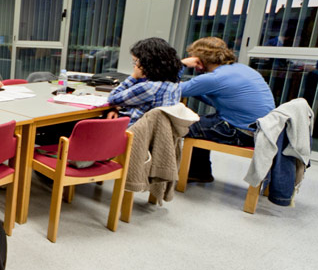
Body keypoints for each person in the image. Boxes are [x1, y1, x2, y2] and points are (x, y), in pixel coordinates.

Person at [180, 36, 275, 182]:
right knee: (202, 122)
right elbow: (223, 101)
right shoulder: (243, 69)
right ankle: (199, 172)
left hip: (242, 133)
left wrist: (181, 65)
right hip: (263, 132)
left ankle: (186, 172)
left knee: (184, 124)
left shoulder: (215, 78)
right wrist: (195, 90)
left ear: (200, 59)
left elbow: (172, 89)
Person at [106, 37, 183, 125]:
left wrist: (134, 76)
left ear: (147, 62)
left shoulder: (147, 88)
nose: (134, 65)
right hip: (156, 129)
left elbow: (112, 98)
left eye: (135, 61)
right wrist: (116, 109)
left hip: (132, 130)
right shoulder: (175, 85)